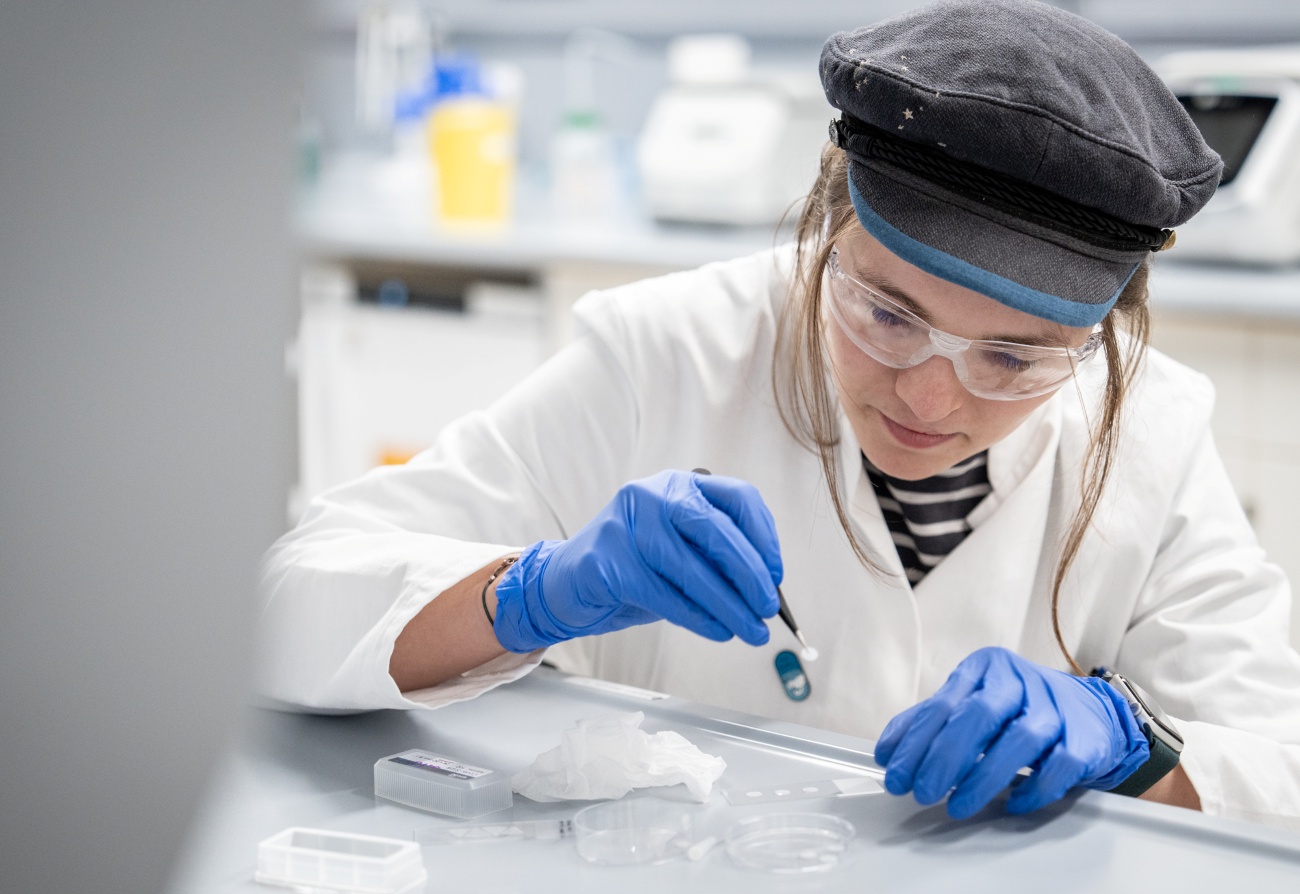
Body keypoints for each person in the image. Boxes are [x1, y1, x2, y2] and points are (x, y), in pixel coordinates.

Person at [258, 0, 1300, 829]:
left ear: (1095, 342)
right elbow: (279, 612)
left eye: (1013, 359)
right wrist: (528, 595)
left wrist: (1135, 747)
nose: (929, 398)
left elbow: (1278, 769)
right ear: (818, 230)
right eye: (888, 314)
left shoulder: (1151, 426)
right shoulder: (663, 351)